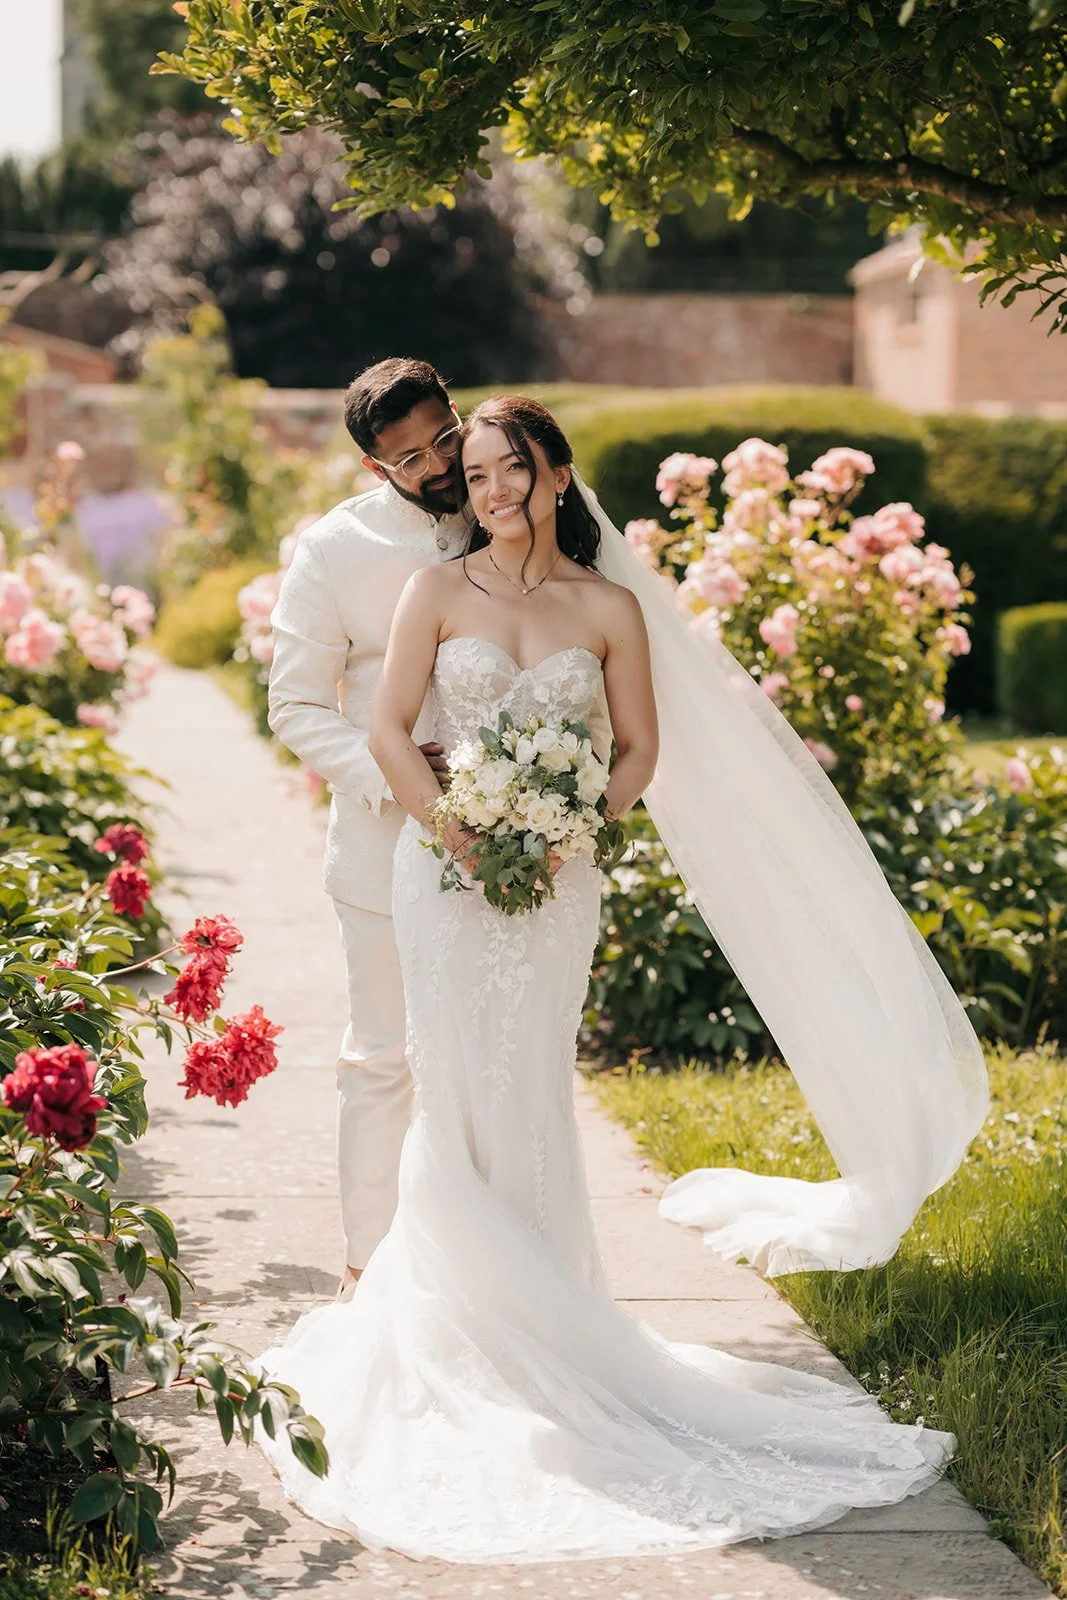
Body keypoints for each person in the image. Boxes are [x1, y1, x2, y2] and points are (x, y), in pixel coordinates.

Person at [255, 396, 984, 1562]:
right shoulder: (431, 591)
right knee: (449, 1095)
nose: (488, 489)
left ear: (553, 475)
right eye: (474, 473)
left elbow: (638, 746)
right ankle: (455, 1330)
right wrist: (454, 828)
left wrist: (568, 826)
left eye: (508, 468)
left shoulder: (606, 608)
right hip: (439, 877)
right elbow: (390, 727)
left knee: (533, 1088)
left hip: (556, 883)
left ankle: (557, 1319)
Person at [266, 357, 468, 1298]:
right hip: (384, 844)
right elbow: (296, 706)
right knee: (382, 1060)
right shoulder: (334, 550)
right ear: (373, 467)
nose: (438, 465)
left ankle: (489, 1275)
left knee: (488, 1061)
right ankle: (368, 1272)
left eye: (444, 437)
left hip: (521, 835)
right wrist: (393, 775)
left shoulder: (515, 506)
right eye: (409, 457)